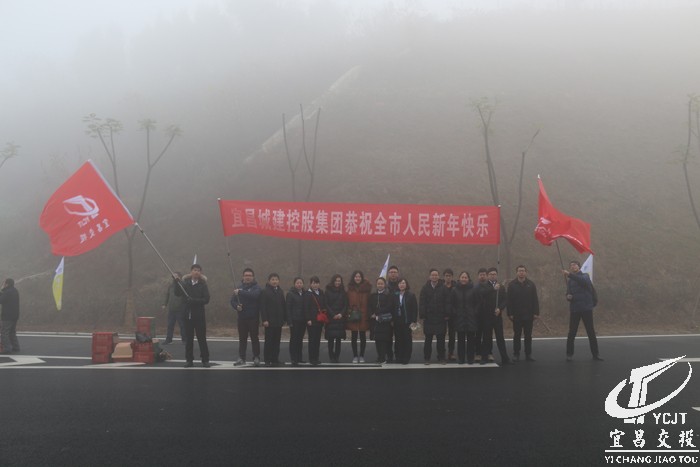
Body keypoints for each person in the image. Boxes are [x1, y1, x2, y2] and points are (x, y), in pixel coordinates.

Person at [564, 260, 603, 362]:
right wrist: (568, 296)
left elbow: (583, 281)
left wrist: (570, 275)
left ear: (579, 267)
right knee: (572, 332)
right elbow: (568, 293)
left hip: (586, 308)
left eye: (575, 265)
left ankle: (596, 354)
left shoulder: (585, 276)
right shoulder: (570, 281)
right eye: (571, 265)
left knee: (590, 332)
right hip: (575, 309)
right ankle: (569, 354)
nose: (573, 267)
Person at [174, 264, 211, 368]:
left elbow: (206, 299)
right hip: (187, 315)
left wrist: (194, 301)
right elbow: (177, 293)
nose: (196, 272)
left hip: (199, 316)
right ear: (191, 272)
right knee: (188, 339)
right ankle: (189, 360)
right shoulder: (185, 283)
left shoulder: (203, 284)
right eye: (195, 270)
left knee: (202, 339)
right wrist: (176, 282)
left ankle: (205, 360)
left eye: (198, 270)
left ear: (200, 273)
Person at [475, 267, 511, 365]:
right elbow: (482, 294)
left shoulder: (501, 287)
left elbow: (505, 300)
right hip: (486, 316)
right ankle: (484, 357)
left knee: (500, 337)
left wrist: (500, 308)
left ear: (497, 275)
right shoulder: (484, 285)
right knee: (486, 337)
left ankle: (505, 358)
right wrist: (493, 289)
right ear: (488, 275)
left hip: (497, 316)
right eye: (491, 274)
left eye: (494, 274)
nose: (493, 276)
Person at [507, 265, 540, 362]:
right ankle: (516, 354)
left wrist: (536, 312)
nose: (521, 272)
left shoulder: (531, 284)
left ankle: (528, 354)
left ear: (526, 272)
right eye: (519, 271)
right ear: (516, 272)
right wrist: (510, 313)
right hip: (516, 315)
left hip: (528, 315)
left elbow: (535, 299)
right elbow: (509, 300)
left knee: (528, 335)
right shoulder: (512, 285)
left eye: (523, 271)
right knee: (517, 335)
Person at [231, 268, 262, 367]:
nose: (248, 277)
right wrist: (237, 306)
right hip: (242, 317)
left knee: (254, 338)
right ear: (243, 277)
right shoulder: (239, 287)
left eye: (250, 275)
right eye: (246, 275)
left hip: (253, 317)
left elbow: (254, 296)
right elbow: (232, 301)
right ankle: (242, 357)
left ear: (253, 277)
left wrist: (240, 292)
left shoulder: (256, 287)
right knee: (242, 338)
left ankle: (256, 357)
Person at [419, 268, 447, 365]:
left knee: (441, 340)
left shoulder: (443, 288)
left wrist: (447, 314)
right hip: (429, 318)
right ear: (429, 276)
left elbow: (447, 302)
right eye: (432, 275)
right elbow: (422, 303)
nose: (434, 276)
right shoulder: (425, 288)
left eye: (436, 275)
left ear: (438, 276)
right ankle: (427, 358)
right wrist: (422, 315)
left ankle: (441, 358)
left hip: (441, 318)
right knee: (428, 340)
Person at [260, 273, 286, 366]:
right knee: (269, 341)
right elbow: (263, 307)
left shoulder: (280, 291)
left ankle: (275, 359)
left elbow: (283, 305)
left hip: (278, 321)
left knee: (277, 341)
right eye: (273, 279)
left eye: (276, 279)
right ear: (269, 281)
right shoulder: (265, 291)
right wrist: (264, 320)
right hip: (269, 322)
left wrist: (284, 318)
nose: (275, 281)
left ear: (279, 281)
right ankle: (267, 360)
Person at [368, 277, 396, 364]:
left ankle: (387, 357)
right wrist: (371, 314)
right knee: (377, 339)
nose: (380, 285)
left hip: (385, 321)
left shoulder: (388, 295)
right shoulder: (373, 295)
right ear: (376, 285)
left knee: (385, 339)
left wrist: (377, 312)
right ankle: (380, 357)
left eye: (381, 284)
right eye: (378, 284)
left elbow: (389, 307)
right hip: (375, 321)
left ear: (385, 285)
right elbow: (369, 306)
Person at [346, 270, 372, 363]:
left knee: (362, 336)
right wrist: (349, 311)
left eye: (359, 277)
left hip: (364, 315)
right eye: (356, 276)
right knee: (353, 336)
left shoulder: (366, 289)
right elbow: (347, 302)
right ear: (353, 278)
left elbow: (370, 302)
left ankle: (361, 356)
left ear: (362, 278)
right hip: (353, 314)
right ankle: (354, 356)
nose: (357, 278)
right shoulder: (350, 289)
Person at [452, 271, 477, 364]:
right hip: (459, 318)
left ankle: (470, 358)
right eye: (462, 277)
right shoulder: (454, 290)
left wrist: (474, 312)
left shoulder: (473, 289)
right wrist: (455, 313)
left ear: (468, 279)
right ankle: (461, 358)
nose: (464, 279)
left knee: (471, 340)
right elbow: (452, 303)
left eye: (465, 277)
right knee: (460, 340)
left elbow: (478, 302)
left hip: (471, 318)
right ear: (459, 278)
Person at [304, 276, 327, 366]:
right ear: (310, 284)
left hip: (319, 320)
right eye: (313, 283)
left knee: (317, 340)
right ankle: (312, 358)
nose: (315, 285)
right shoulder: (308, 294)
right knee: (312, 340)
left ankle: (316, 358)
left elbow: (323, 305)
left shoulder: (321, 292)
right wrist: (308, 319)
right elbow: (306, 308)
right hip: (312, 321)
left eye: (317, 283)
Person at [325, 274, 347, 363]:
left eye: (339, 281)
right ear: (333, 281)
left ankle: (337, 356)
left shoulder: (343, 292)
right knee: (330, 339)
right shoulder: (327, 291)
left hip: (340, 318)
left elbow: (345, 305)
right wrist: (333, 314)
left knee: (338, 339)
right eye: (336, 281)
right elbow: (326, 304)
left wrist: (341, 314)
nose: (337, 282)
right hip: (331, 318)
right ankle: (331, 356)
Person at [395, 278, 418, 364]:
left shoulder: (411, 295)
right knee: (398, 340)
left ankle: (406, 357)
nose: (401, 285)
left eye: (403, 283)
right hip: (397, 322)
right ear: (398, 285)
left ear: (406, 284)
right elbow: (392, 307)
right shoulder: (395, 295)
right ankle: (398, 357)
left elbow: (414, 309)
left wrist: (413, 321)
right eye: (400, 283)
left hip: (407, 322)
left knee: (407, 340)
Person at [286, 277, 306, 366]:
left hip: (303, 320)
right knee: (294, 339)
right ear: (294, 284)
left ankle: (299, 358)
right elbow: (288, 308)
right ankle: (293, 358)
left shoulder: (305, 293)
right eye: (297, 283)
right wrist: (289, 321)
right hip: (294, 320)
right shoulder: (290, 294)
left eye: (301, 283)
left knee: (300, 339)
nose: (299, 284)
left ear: (303, 284)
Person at [162, 271, 186, 345]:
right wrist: (165, 304)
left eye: (176, 276)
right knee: (170, 325)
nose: (174, 277)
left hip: (180, 309)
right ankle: (169, 340)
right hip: (171, 309)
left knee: (182, 325)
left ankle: (184, 340)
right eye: (173, 276)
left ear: (180, 276)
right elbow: (167, 295)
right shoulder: (171, 286)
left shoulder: (182, 284)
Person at [0, 278, 20, 355]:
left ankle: (7, 349)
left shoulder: (7, 292)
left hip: (7, 316)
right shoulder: (15, 291)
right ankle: (15, 347)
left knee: (4, 332)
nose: (3, 284)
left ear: (7, 284)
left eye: (4, 283)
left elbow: (1, 300)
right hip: (15, 315)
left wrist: (2, 290)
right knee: (12, 332)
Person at [385, 265, 400, 363]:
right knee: (387, 338)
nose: (393, 274)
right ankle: (389, 356)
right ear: (388, 274)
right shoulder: (385, 286)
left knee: (399, 337)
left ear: (398, 274)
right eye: (391, 272)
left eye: (395, 272)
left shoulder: (402, 285)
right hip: (387, 316)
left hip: (399, 316)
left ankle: (398, 355)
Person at [442, 269, 457, 361]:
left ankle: (451, 352)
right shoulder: (440, 287)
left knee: (452, 334)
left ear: (452, 277)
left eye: (449, 276)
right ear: (444, 277)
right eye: (446, 276)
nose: (448, 277)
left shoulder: (456, 287)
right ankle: (442, 352)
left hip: (453, 315)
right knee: (442, 334)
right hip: (442, 315)